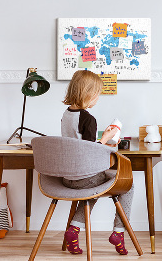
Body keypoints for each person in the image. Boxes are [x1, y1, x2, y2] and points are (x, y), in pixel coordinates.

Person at [61, 70, 134, 255]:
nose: (97, 98)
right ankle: (119, 232)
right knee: (127, 184)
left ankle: (74, 230)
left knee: (92, 189)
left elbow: (79, 144)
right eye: (97, 94)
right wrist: (107, 138)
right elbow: (90, 151)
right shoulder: (88, 119)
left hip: (67, 177)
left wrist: (104, 140)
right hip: (84, 177)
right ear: (88, 94)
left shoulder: (66, 115)